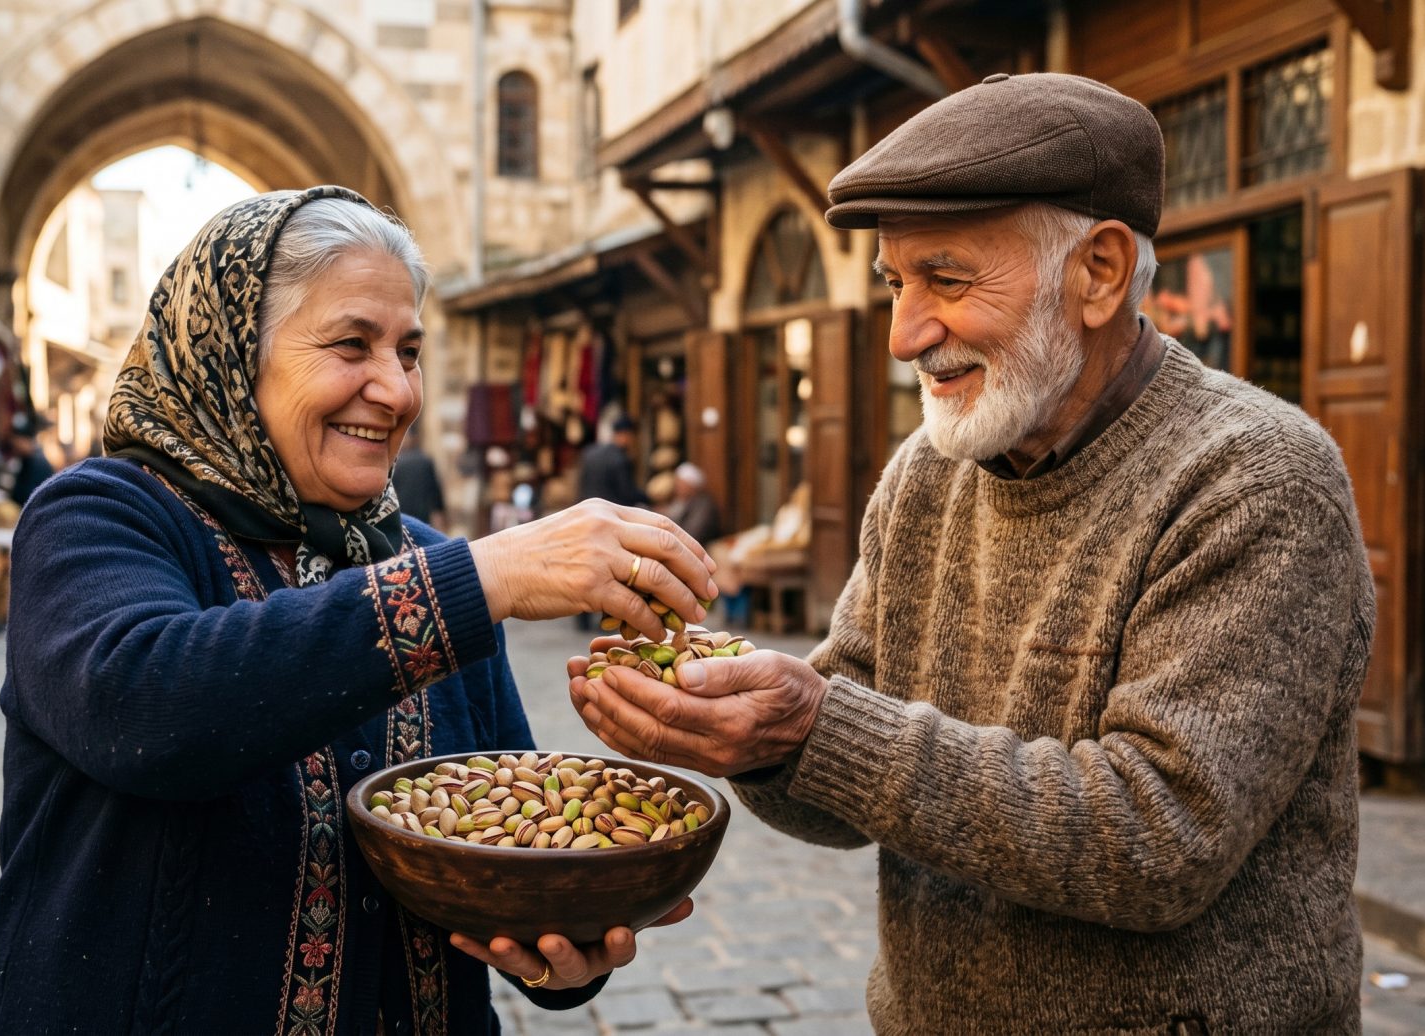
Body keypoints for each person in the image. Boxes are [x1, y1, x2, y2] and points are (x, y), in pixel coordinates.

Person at [567, 74, 1374, 1033]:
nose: (907, 332)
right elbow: (846, 793)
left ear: (1100, 273)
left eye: (947, 279)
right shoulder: (928, 476)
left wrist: (812, 730)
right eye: (896, 283)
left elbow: (1161, 839)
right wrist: (750, 739)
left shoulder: (1256, 479)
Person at [0, 187, 719, 1035]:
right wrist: (483, 577)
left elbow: (504, 854)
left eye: (409, 350)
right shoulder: (100, 516)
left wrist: (562, 948)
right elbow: (141, 707)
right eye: (351, 345)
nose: (395, 391)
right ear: (230, 356)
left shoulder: (431, 562)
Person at [577, 416, 647, 507]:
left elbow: (581, 485)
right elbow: (627, 493)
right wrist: (648, 498)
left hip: (588, 509)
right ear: (627, 435)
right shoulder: (620, 459)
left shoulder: (589, 452)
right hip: (609, 512)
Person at [391, 434, 447, 527]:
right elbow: (435, 489)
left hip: (401, 513)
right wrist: (440, 511)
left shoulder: (394, 463)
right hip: (422, 514)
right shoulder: (424, 460)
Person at [663, 462, 720, 548]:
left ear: (692, 485)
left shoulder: (703, 505)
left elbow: (693, 533)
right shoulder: (682, 500)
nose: (677, 487)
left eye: (681, 483)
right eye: (677, 483)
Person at [6, 427, 53, 506]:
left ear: (26, 441)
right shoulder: (26, 459)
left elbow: (30, 494)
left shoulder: (37, 462)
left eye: (17, 443)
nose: (15, 448)